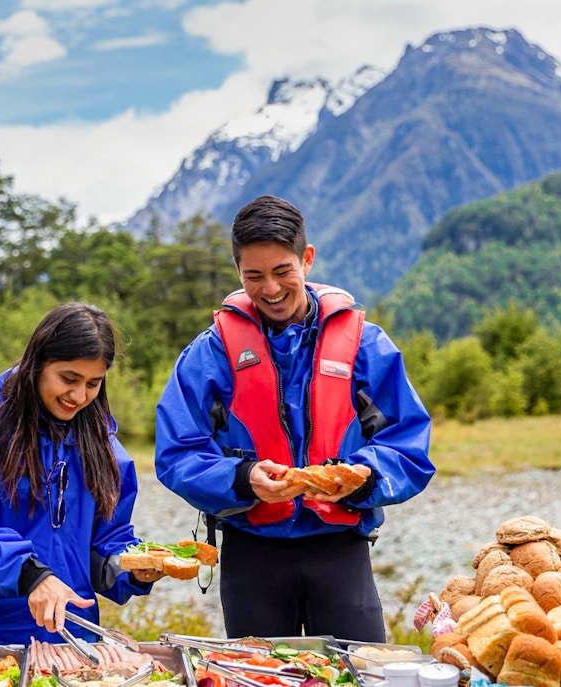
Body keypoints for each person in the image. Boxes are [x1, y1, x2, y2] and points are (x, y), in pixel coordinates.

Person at [155, 195, 434, 641]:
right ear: (238, 273)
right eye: (254, 276)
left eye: (282, 271)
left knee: (358, 672)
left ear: (307, 259)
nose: (270, 289)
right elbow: (177, 453)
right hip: (252, 553)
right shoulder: (211, 352)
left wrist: (365, 476)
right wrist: (244, 478)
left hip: (340, 547)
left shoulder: (366, 345)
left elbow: (408, 442)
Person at [0, 302, 163, 646]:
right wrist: (27, 572)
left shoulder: (105, 450)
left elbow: (105, 545)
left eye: (93, 383)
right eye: (68, 379)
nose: (78, 396)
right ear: (37, 364)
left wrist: (133, 567)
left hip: (71, 639)